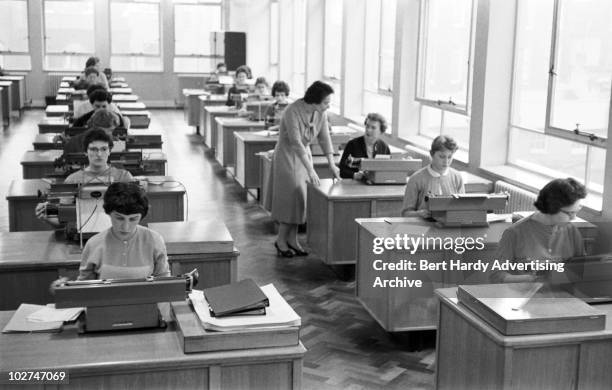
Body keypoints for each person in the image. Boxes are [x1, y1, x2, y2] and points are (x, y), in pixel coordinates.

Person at [271, 81, 341, 257]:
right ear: (315, 100)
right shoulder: (292, 111)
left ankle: (292, 240)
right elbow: (296, 143)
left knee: (301, 200)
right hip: (288, 156)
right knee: (291, 199)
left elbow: (325, 139)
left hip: (304, 157)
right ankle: (281, 241)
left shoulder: (321, 113)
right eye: (326, 102)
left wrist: (332, 163)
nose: (328, 106)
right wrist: (311, 170)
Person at [491, 178, 586, 283]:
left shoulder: (572, 231)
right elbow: (496, 275)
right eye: (570, 213)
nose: (573, 218)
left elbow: (582, 269)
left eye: (576, 211)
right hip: (525, 295)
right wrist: (532, 279)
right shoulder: (514, 233)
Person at [35, 129, 133, 227]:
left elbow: (135, 213)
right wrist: (46, 216)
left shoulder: (124, 177)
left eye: (104, 149)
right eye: (93, 149)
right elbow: (63, 221)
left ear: (109, 151)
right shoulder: (72, 180)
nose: (99, 154)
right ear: (86, 152)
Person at [77, 182, 170, 280]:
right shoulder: (93, 244)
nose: (126, 227)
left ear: (142, 216)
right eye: (119, 218)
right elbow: (84, 287)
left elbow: (164, 281)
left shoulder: (154, 240)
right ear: (109, 213)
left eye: (133, 219)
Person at [401, 135, 465, 217]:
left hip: (449, 226)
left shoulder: (457, 177)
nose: (446, 161)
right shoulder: (416, 179)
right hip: (422, 226)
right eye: (441, 157)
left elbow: (463, 207)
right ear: (432, 154)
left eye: (450, 157)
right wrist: (418, 214)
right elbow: (405, 213)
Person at [338, 113, 391, 179]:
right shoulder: (353, 144)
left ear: (381, 131)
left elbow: (388, 170)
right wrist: (354, 175)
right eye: (367, 126)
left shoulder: (384, 147)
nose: (368, 130)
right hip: (354, 185)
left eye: (373, 128)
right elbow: (342, 170)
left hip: (376, 185)